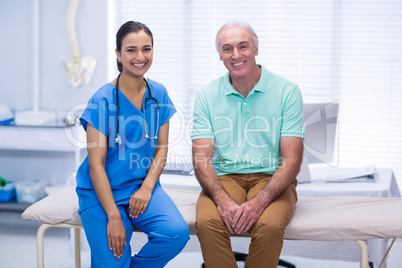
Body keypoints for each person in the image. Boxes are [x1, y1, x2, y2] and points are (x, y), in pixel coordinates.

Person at [76, 21, 189, 268]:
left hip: (141, 186)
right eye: (131, 50)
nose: (140, 57)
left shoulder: (158, 93)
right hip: (101, 190)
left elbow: (161, 148)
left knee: (176, 234)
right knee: (113, 259)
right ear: (118, 54)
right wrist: (114, 216)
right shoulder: (102, 100)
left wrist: (148, 186)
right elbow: (96, 165)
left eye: (146, 49)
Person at [191, 20, 305, 268]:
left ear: (255, 49)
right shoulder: (207, 95)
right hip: (226, 178)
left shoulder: (287, 91)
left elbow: (292, 161)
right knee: (208, 223)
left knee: (269, 225)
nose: (236, 54)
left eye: (243, 46)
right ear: (220, 55)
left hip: (272, 177)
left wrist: (259, 202)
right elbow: (202, 160)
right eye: (227, 48)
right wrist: (223, 201)